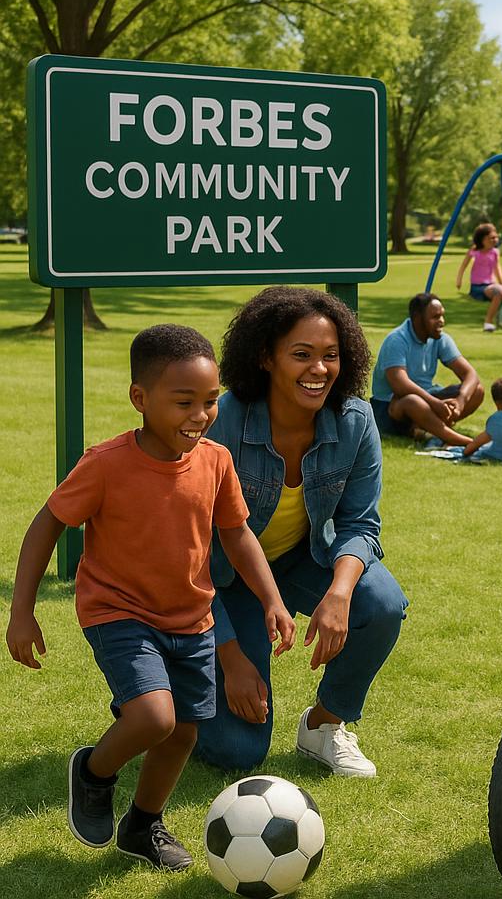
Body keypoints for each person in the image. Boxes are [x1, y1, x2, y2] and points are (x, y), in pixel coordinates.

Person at [5, 325, 294, 871]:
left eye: (210, 402)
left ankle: (143, 826)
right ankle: (93, 772)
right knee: (154, 717)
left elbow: (236, 534)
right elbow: (47, 525)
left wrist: (273, 600)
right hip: (119, 612)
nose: (200, 415)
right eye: (183, 402)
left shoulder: (215, 461)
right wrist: (22, 611)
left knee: (183, 731)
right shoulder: (107, 464)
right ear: (140, 399)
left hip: (192, 618)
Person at [195, 288, 408, 779]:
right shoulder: (220, 421)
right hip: (222, 579)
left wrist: (338, 592)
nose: (319, 369)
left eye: (330, 356)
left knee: (379, 605)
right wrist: (229, 655)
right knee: (237, 751)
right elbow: (189, 551)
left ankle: (324, 725)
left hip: (299, 557)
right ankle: (165, 693)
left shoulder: (355, 421)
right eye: (302, 355)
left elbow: (360, 524)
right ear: (266, 358)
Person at [370, 293, 485, 448]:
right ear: (417, 318)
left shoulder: (440, 339)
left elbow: (470, 374)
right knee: (413, 401)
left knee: (476, 390)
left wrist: (460, 401)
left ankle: (425, 430)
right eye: (435, 317)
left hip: (426, 397)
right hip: (390, 407)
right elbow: (400, 385)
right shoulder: (397, 340)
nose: (441, 322)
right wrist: (435, 403)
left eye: (442, 316)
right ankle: (465, 441)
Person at [455, 222, 502, 331]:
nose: (494, 240)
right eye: (490, 238)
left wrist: (501, 282)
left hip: (491, 284)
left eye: (495, 238)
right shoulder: (475, 251)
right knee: (501, 295)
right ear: (482, 239)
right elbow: (464, 265)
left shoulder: (495, 252)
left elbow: (497, 267)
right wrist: (459, 280)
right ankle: (489, 322)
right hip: (478, 287)